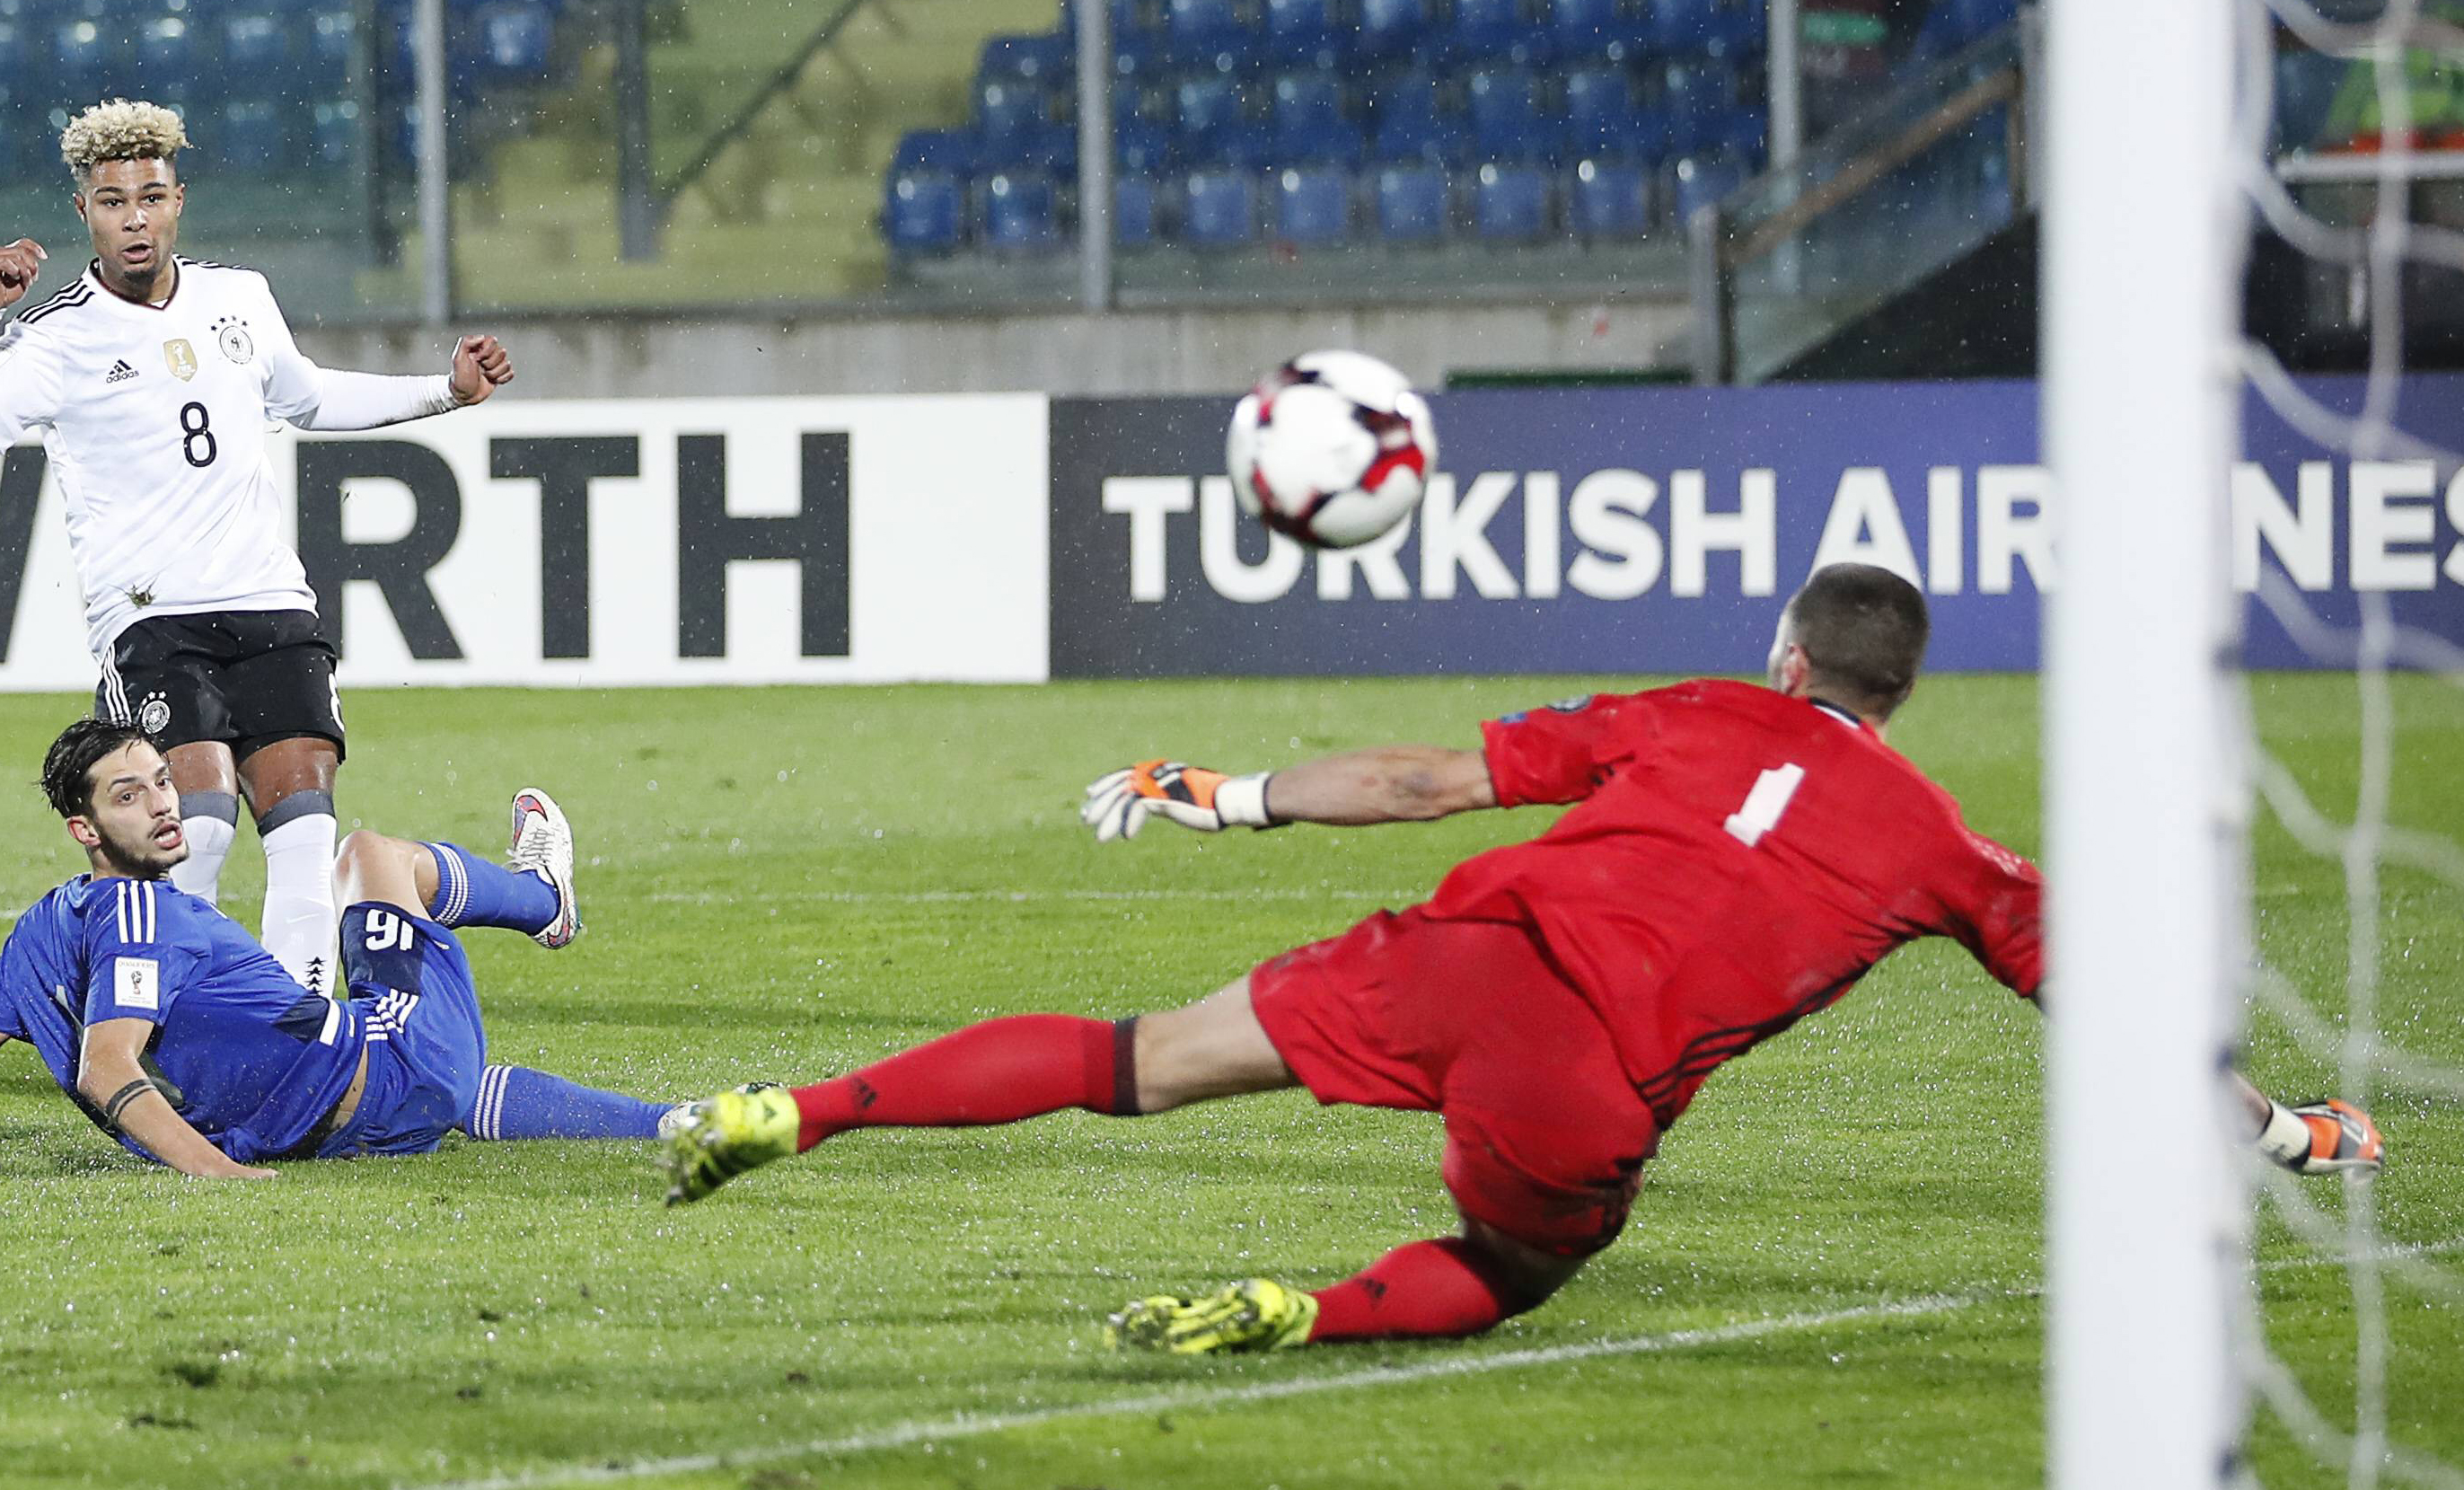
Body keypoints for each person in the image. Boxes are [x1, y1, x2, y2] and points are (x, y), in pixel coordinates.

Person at [659, 563, 2386, 1353]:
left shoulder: (1693, 707)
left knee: (1131, 1056)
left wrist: (1223, 790)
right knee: (1519, 1262)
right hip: (1581, 1071)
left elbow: (1423, 780)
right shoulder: (1953, 850)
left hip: (1463, 946)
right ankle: (1304, 1307)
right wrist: (2286, 1133)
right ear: (1896, 695)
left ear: (1783, 651)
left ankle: (794, 1106)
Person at [0, 99, 521, 997]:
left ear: (179, 200)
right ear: (85, 213)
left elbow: (307, 399)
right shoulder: (58, 337)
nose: (134, 219)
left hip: (270, 601)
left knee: (304, 830)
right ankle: (159, 1025)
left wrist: (446, 392)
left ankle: (296, 1034)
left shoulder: (241, 298)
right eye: (113, 202)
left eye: (150, 197)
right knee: (198, 828)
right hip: (154, 621)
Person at [0, 719, 677, 1178]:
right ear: (85, 827)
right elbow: (102, 1067)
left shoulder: (49, 921)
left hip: (338, 1123)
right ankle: (546, 900)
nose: (163, 805)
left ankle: (672, 1123)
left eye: (162, 782)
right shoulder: (136, 916)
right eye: (130, 796)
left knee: (447, 1080)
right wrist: (218, 1178)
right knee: (367, 857)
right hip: (387, 1076)